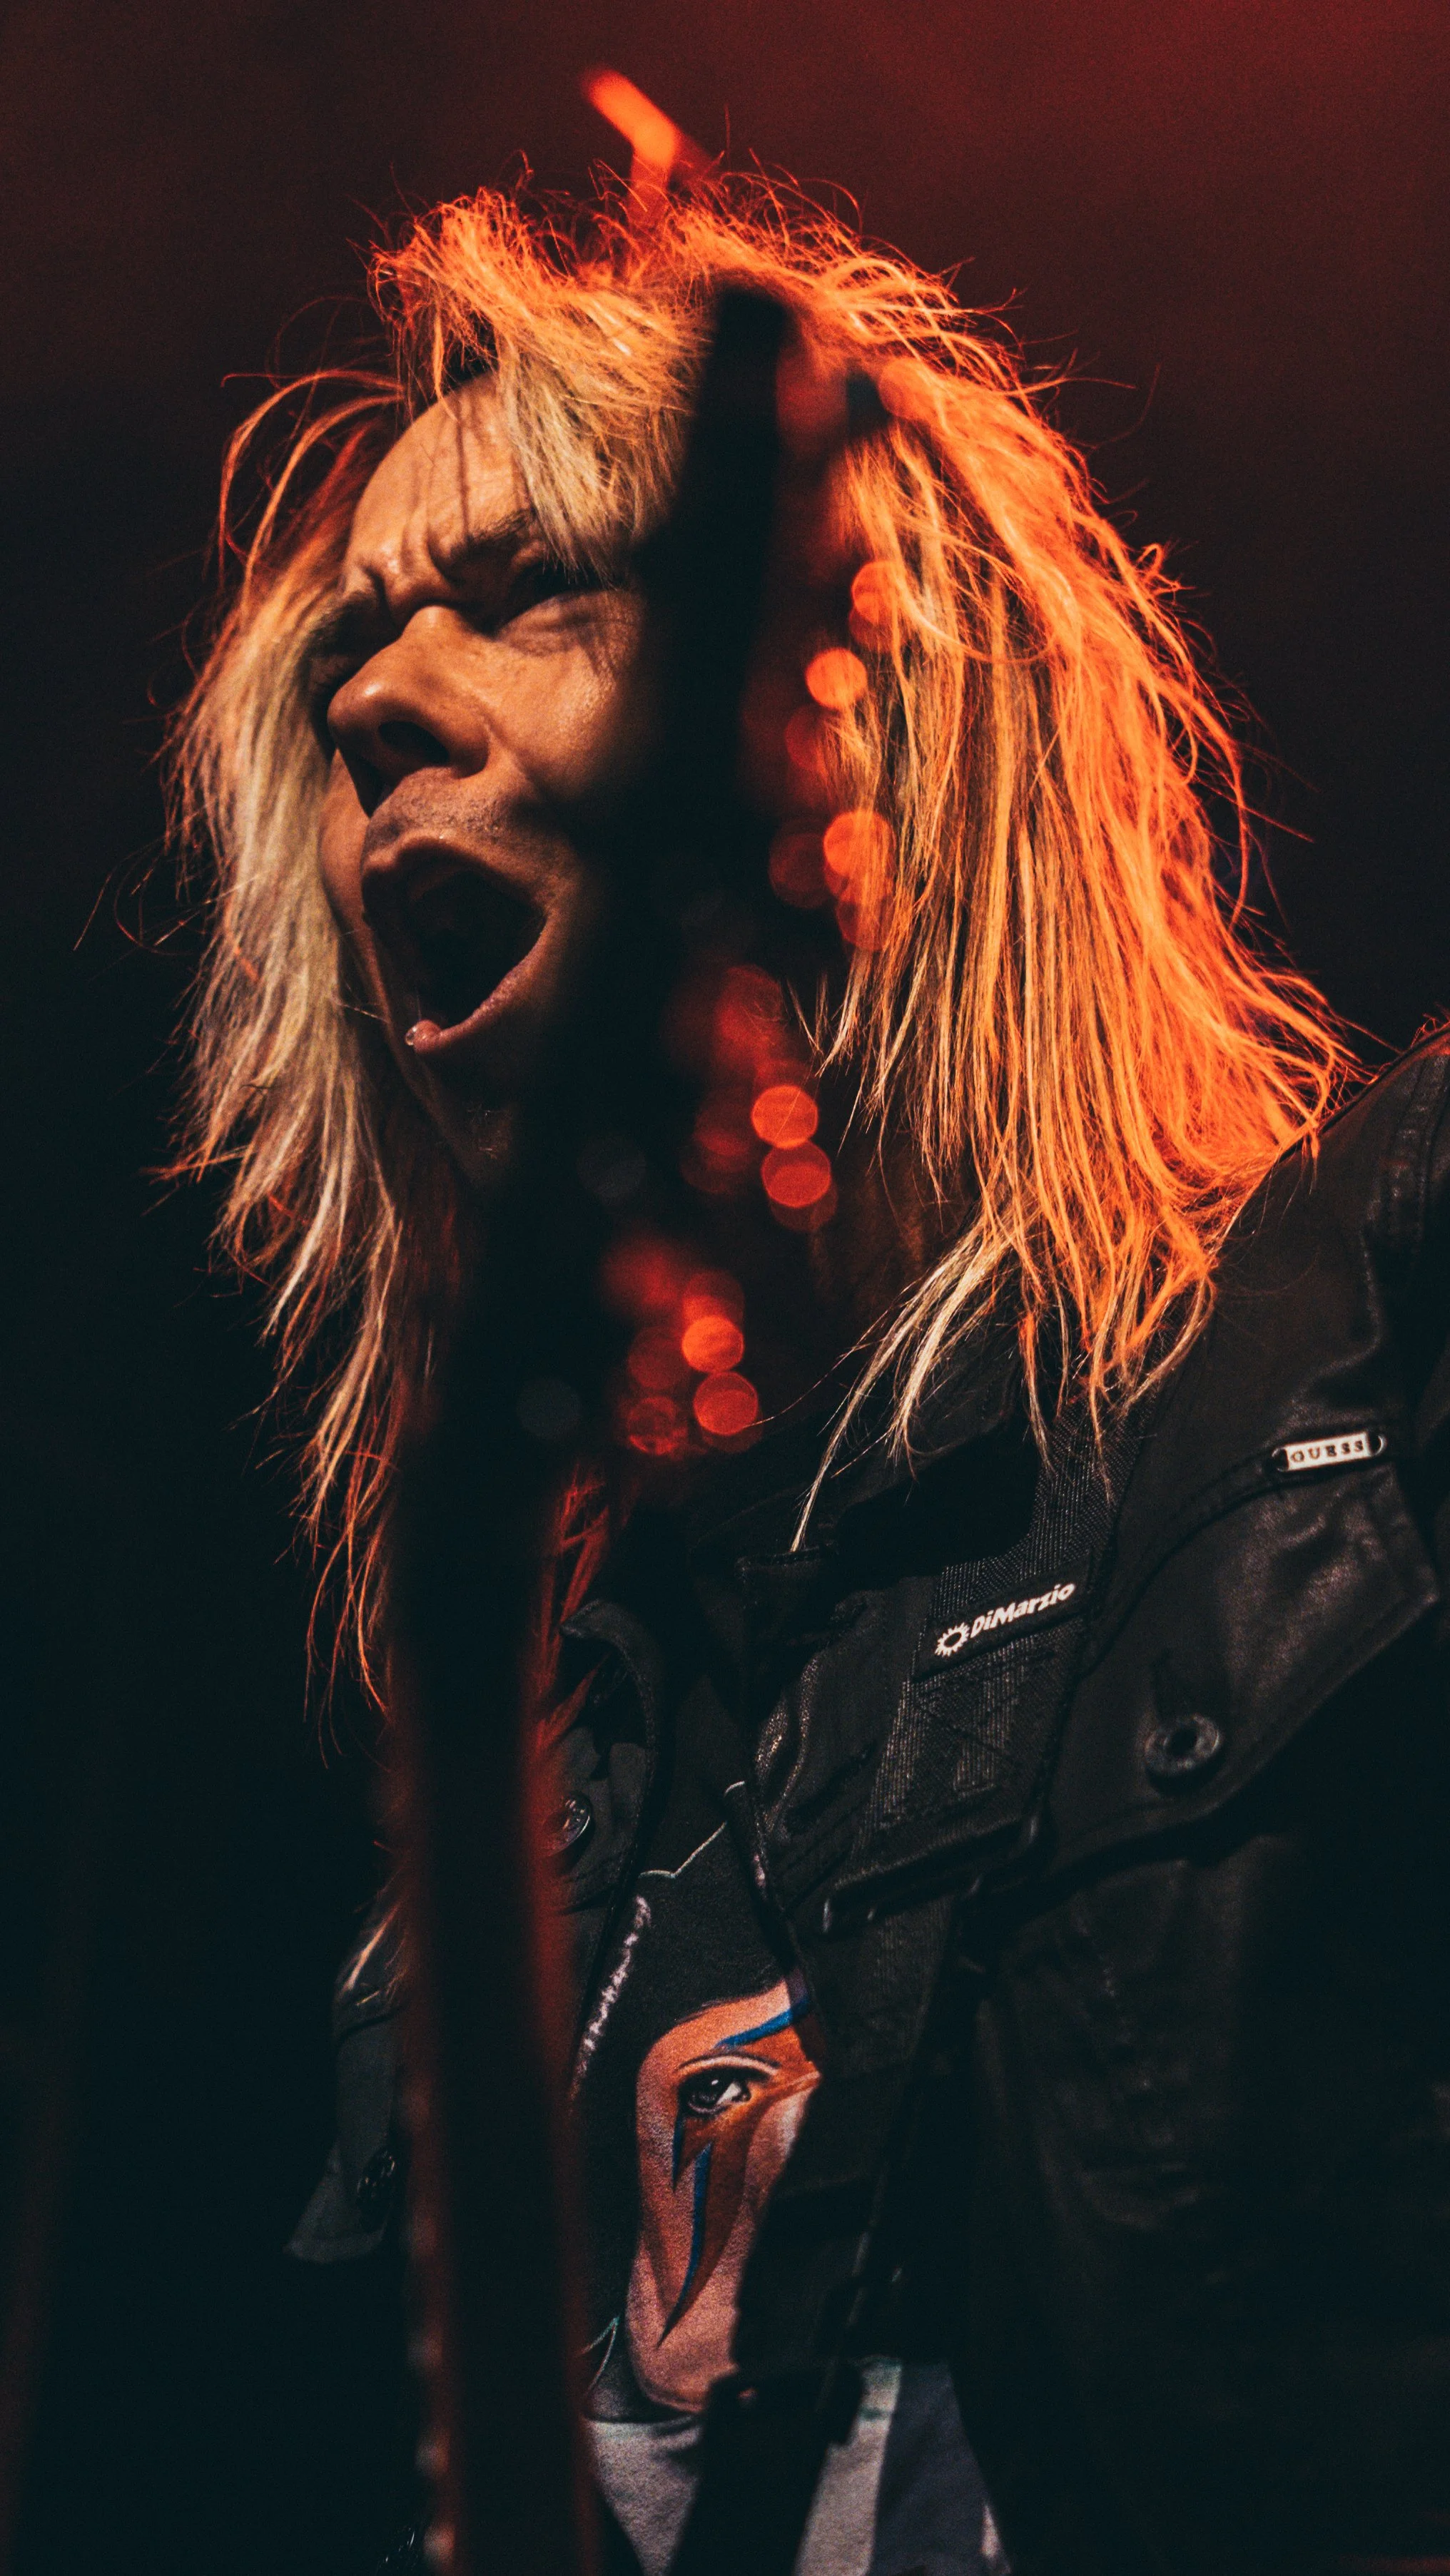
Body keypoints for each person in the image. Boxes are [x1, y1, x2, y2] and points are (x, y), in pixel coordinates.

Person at [169, 174, 1450, 2576]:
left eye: (534, 588)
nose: (372, 705)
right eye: (347, 658)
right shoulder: (544, 1753)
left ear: (878, 712)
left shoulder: (1382, 1345)